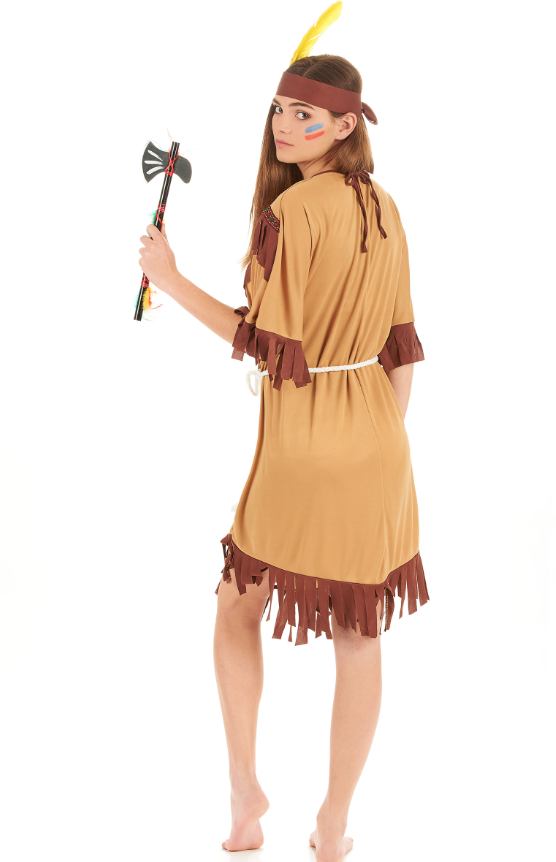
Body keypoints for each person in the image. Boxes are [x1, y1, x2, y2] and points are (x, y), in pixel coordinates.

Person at [138, 10, 430, 862]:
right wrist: (374, 440)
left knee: (237, 605)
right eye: (279, 110)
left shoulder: (292, 210)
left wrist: (168, 278)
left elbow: (260, 341)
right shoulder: (385, 207)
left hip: (303, 445)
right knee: (359, 633)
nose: (285, 125)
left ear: (345, 126)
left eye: (306, 114)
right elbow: (402, 348)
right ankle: (333, 825)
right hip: (380, 442)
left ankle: (245, 795)